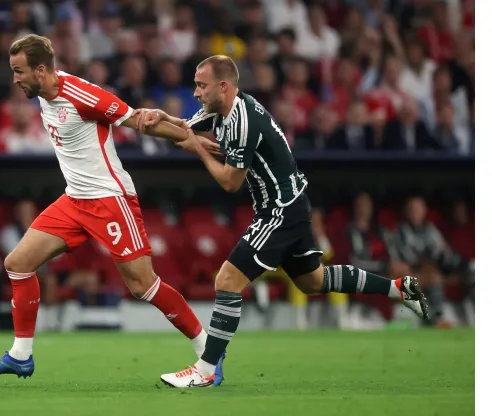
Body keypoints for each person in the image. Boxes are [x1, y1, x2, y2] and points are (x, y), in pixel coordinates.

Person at [134, 55, 429, 388]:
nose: (196, 92)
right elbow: (189, 128)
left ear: (223, 86)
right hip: (293, 204)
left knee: (227, 280)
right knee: (313, 281)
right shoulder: (225, 108)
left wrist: (197, 150)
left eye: (201, 85)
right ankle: (397, 289)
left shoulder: (243, 121)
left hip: (279, 209)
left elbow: (230, 182)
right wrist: (162, 117)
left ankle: (206, 369)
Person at [0, 34, 222, 382]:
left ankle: (208, 350)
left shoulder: (81, 94)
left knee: (142, 285)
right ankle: (21, 356)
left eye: (19, 72)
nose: (15, 79)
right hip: (74, 200)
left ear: (40, 70)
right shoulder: (42, 91)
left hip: (110, 200)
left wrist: (192, 140)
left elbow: (142, 121)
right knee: (18, 264)